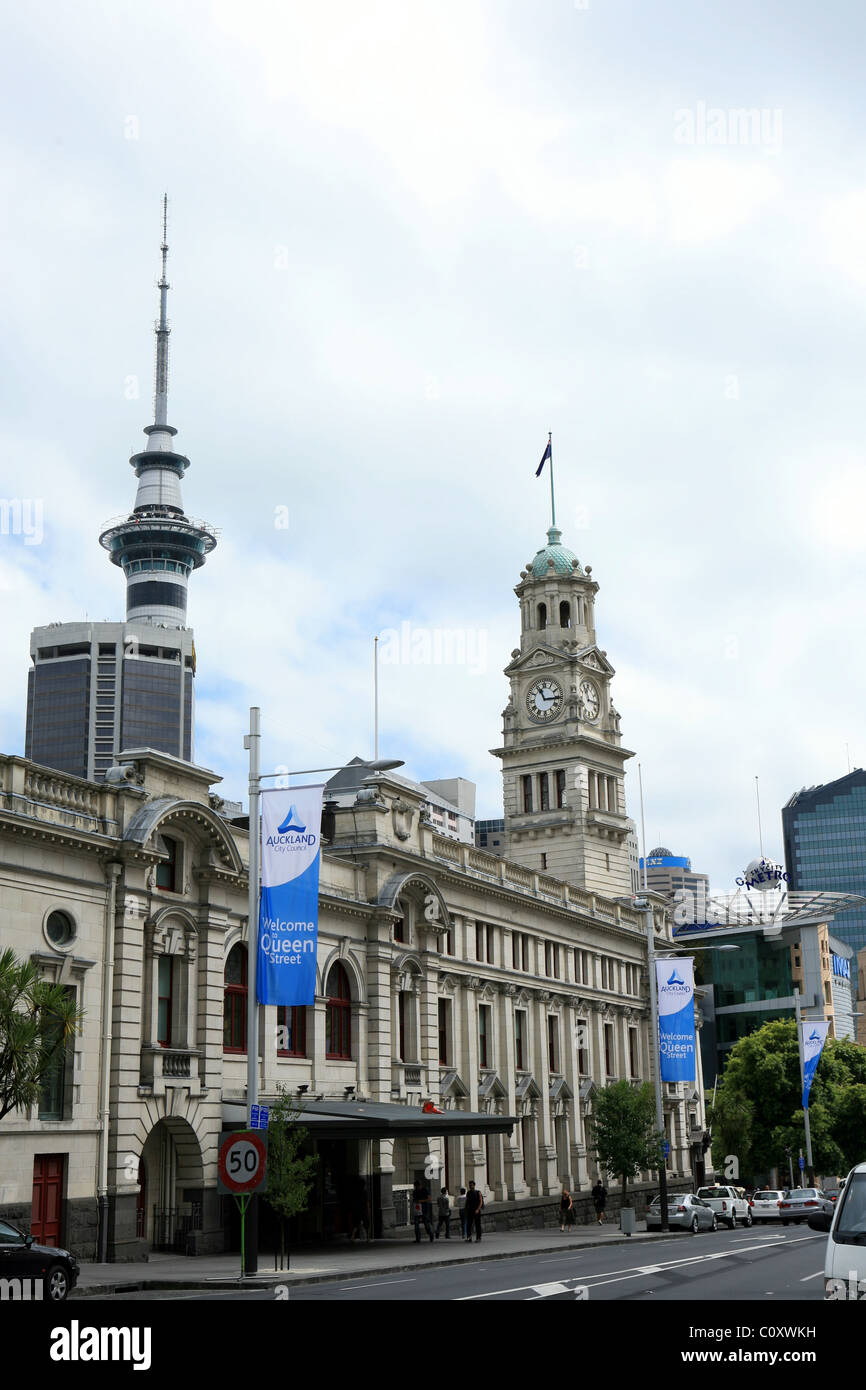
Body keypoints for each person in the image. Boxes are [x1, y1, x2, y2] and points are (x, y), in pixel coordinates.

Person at [413, 1178, 434, 1243]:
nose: (416, 1188)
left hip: (424, 1208)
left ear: (419, 1185)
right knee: (416, 1224)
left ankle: (430, 1234)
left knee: (426, 1223)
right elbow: (414, 1199)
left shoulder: (424, 1190)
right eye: (415, 1187)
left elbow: (428, 1199)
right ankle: (418, 1238)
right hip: (417, 1208)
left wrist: (421, 1201)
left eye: (417, 1186)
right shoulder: (415, 1191)